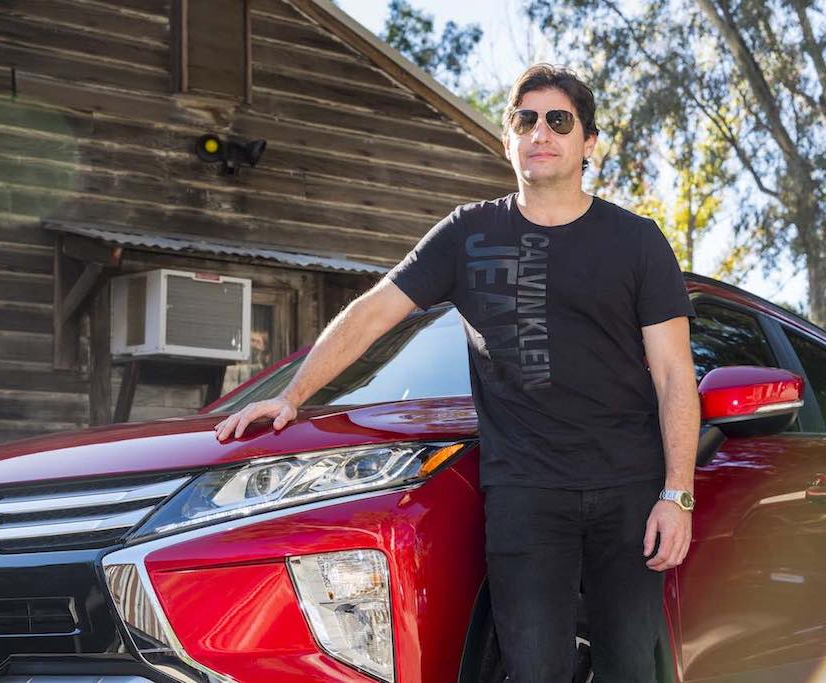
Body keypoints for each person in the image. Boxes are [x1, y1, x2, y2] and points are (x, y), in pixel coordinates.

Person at [214, 63, 699, 682]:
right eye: (525, 120)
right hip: (525, 493)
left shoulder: (637, 241)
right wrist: (292, 395)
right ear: (507, 140)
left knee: (631, 669)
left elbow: (674, 375)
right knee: (535, 672)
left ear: (589, 143)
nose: (540, 133)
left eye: (559, 120)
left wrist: (676, 495)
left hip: (629, 489)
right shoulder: (468, 234)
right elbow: (372, 313)